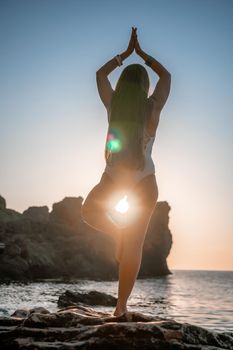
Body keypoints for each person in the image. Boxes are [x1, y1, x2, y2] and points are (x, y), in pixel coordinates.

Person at [81, 27, 171, 317]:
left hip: (114, 178)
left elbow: (99, 75)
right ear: (145, 86)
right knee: (133, 246)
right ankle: (120, 308)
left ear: (123, 85)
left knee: (89, 212)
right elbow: (167, 77)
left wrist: (124, 55)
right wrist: (143, 55)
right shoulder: (152, 108)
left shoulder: (113, 106)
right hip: (145, 181)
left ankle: (118, 233)